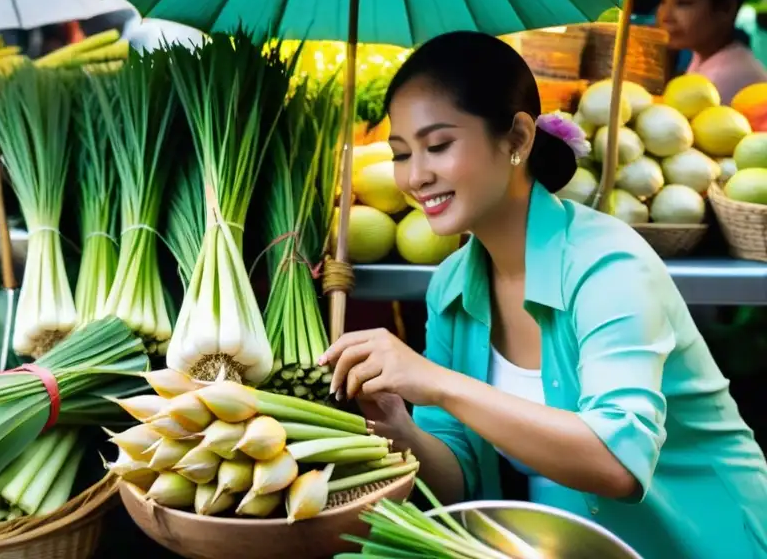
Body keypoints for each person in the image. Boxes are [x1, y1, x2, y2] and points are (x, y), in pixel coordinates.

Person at [319, 32, 767, 559]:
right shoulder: (450, 289)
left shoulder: (609, 267)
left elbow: (619, 464)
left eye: (438, 145)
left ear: (517, 139)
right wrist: (396, 425)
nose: (415, 177)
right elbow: (457, 478)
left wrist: (435, 382)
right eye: (400, 153)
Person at [659, 0, 767, 103]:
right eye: (663, 0)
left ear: (725, 9)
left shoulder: (724, 78)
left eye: (682, 3)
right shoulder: (704, 55)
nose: (665, 16)